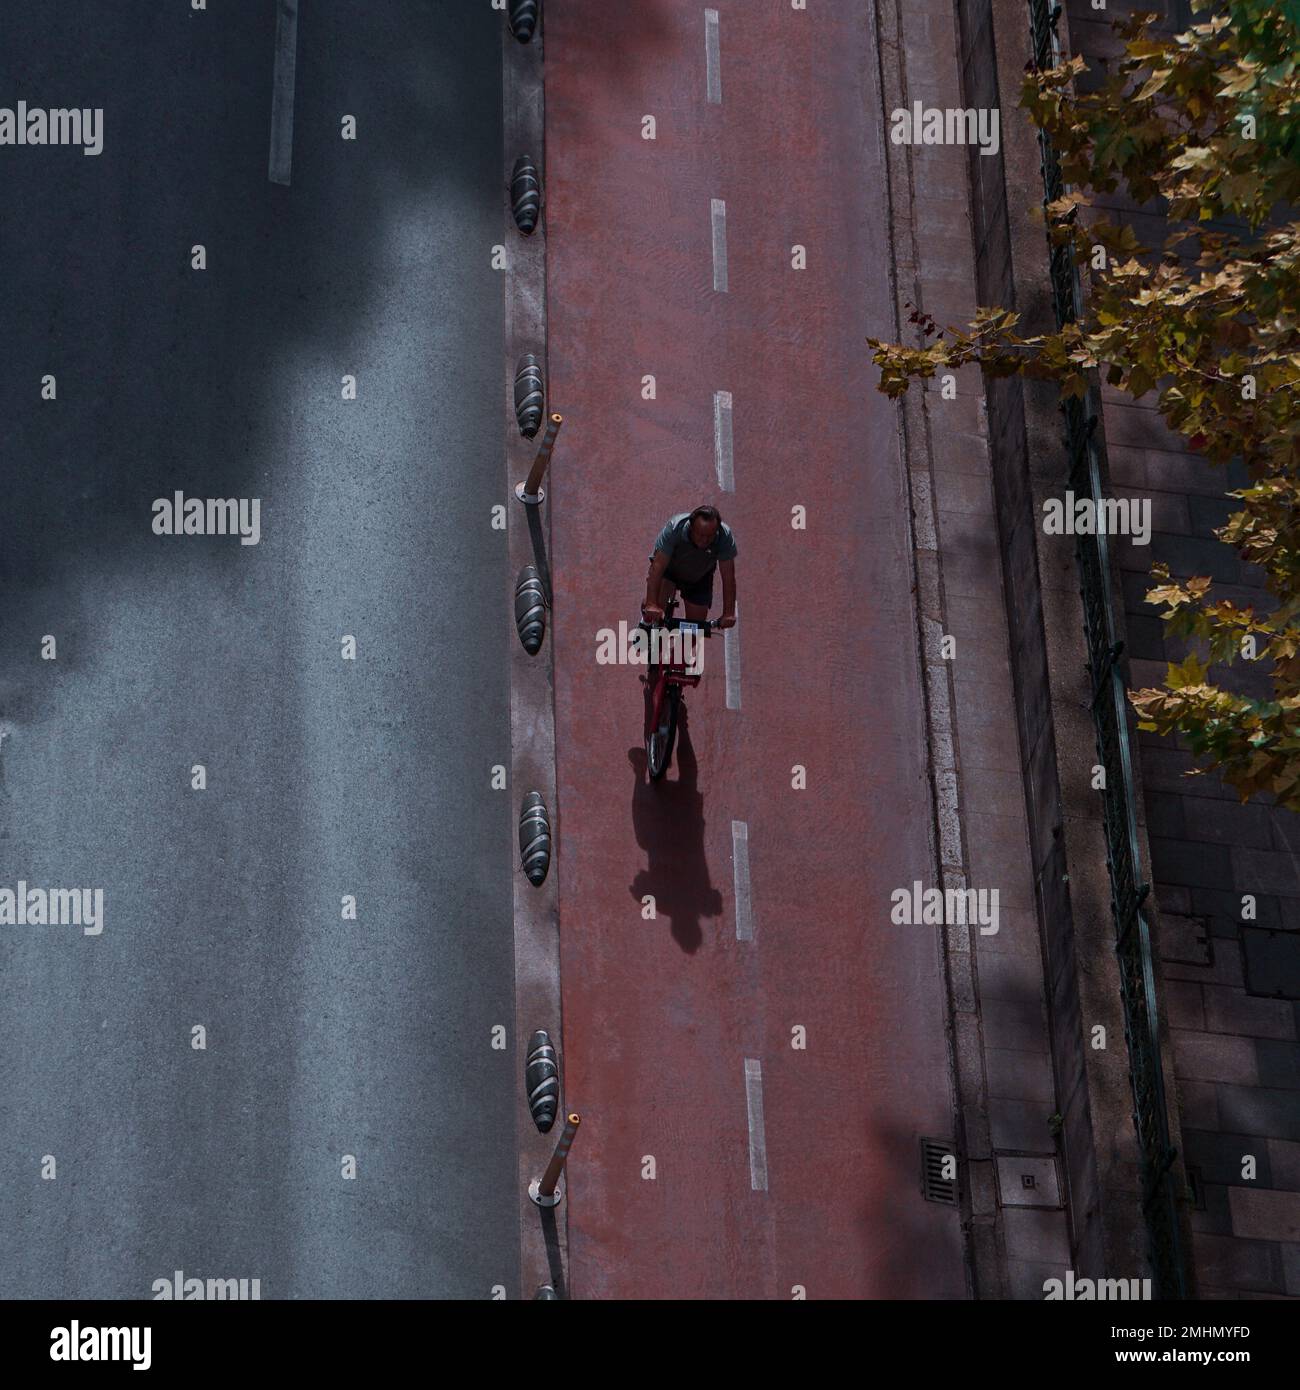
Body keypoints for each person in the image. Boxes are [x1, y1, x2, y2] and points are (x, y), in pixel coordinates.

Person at [642, 505, 737, 628]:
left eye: (710, 536)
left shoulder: (725, 536)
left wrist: (728, 613)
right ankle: (646, 621)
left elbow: (728, 577)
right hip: (670, 571)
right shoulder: (675, 528)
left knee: (694, 632)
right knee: (654, 606)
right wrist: (651, 603)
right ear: (691, 528)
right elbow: (657, 568)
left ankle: (680, 646)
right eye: (700, 535)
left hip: (699, 577)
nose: (705, 540)